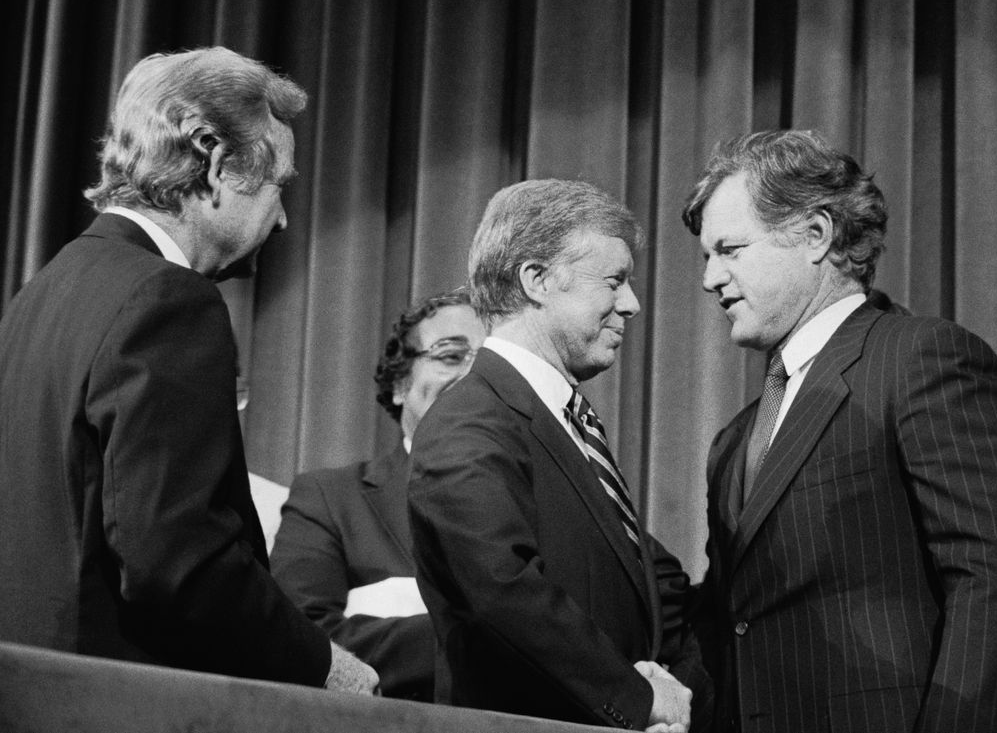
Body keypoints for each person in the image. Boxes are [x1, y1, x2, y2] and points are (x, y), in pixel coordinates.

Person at [0, 47, 377, 693]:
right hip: (116, 701)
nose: (284, 219)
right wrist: (326, 667)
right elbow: (176, 561)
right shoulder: (169, 299)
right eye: (279, 184)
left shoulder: (42, 291)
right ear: (215, 160)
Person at [683, 130, 997, 733]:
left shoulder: (921, 359)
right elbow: (733, 618)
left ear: (815, 235)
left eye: (729, 249)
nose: (709, 278)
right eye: (706, 256)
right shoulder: (735, 439)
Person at [408, 179, 710, 732]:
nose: (632, 304)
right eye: (614, 281)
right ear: (537, 280)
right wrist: (639, 698)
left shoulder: (562, 423)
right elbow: (502, 590)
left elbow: (645, 587)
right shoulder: (469, 421)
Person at [270, 290, 486, 700]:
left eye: (488, 364)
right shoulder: (330, 498)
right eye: (451, 355)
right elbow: (298, 636)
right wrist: (481, 642)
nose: (473, 377)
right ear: (401, 384)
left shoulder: (550, 503)